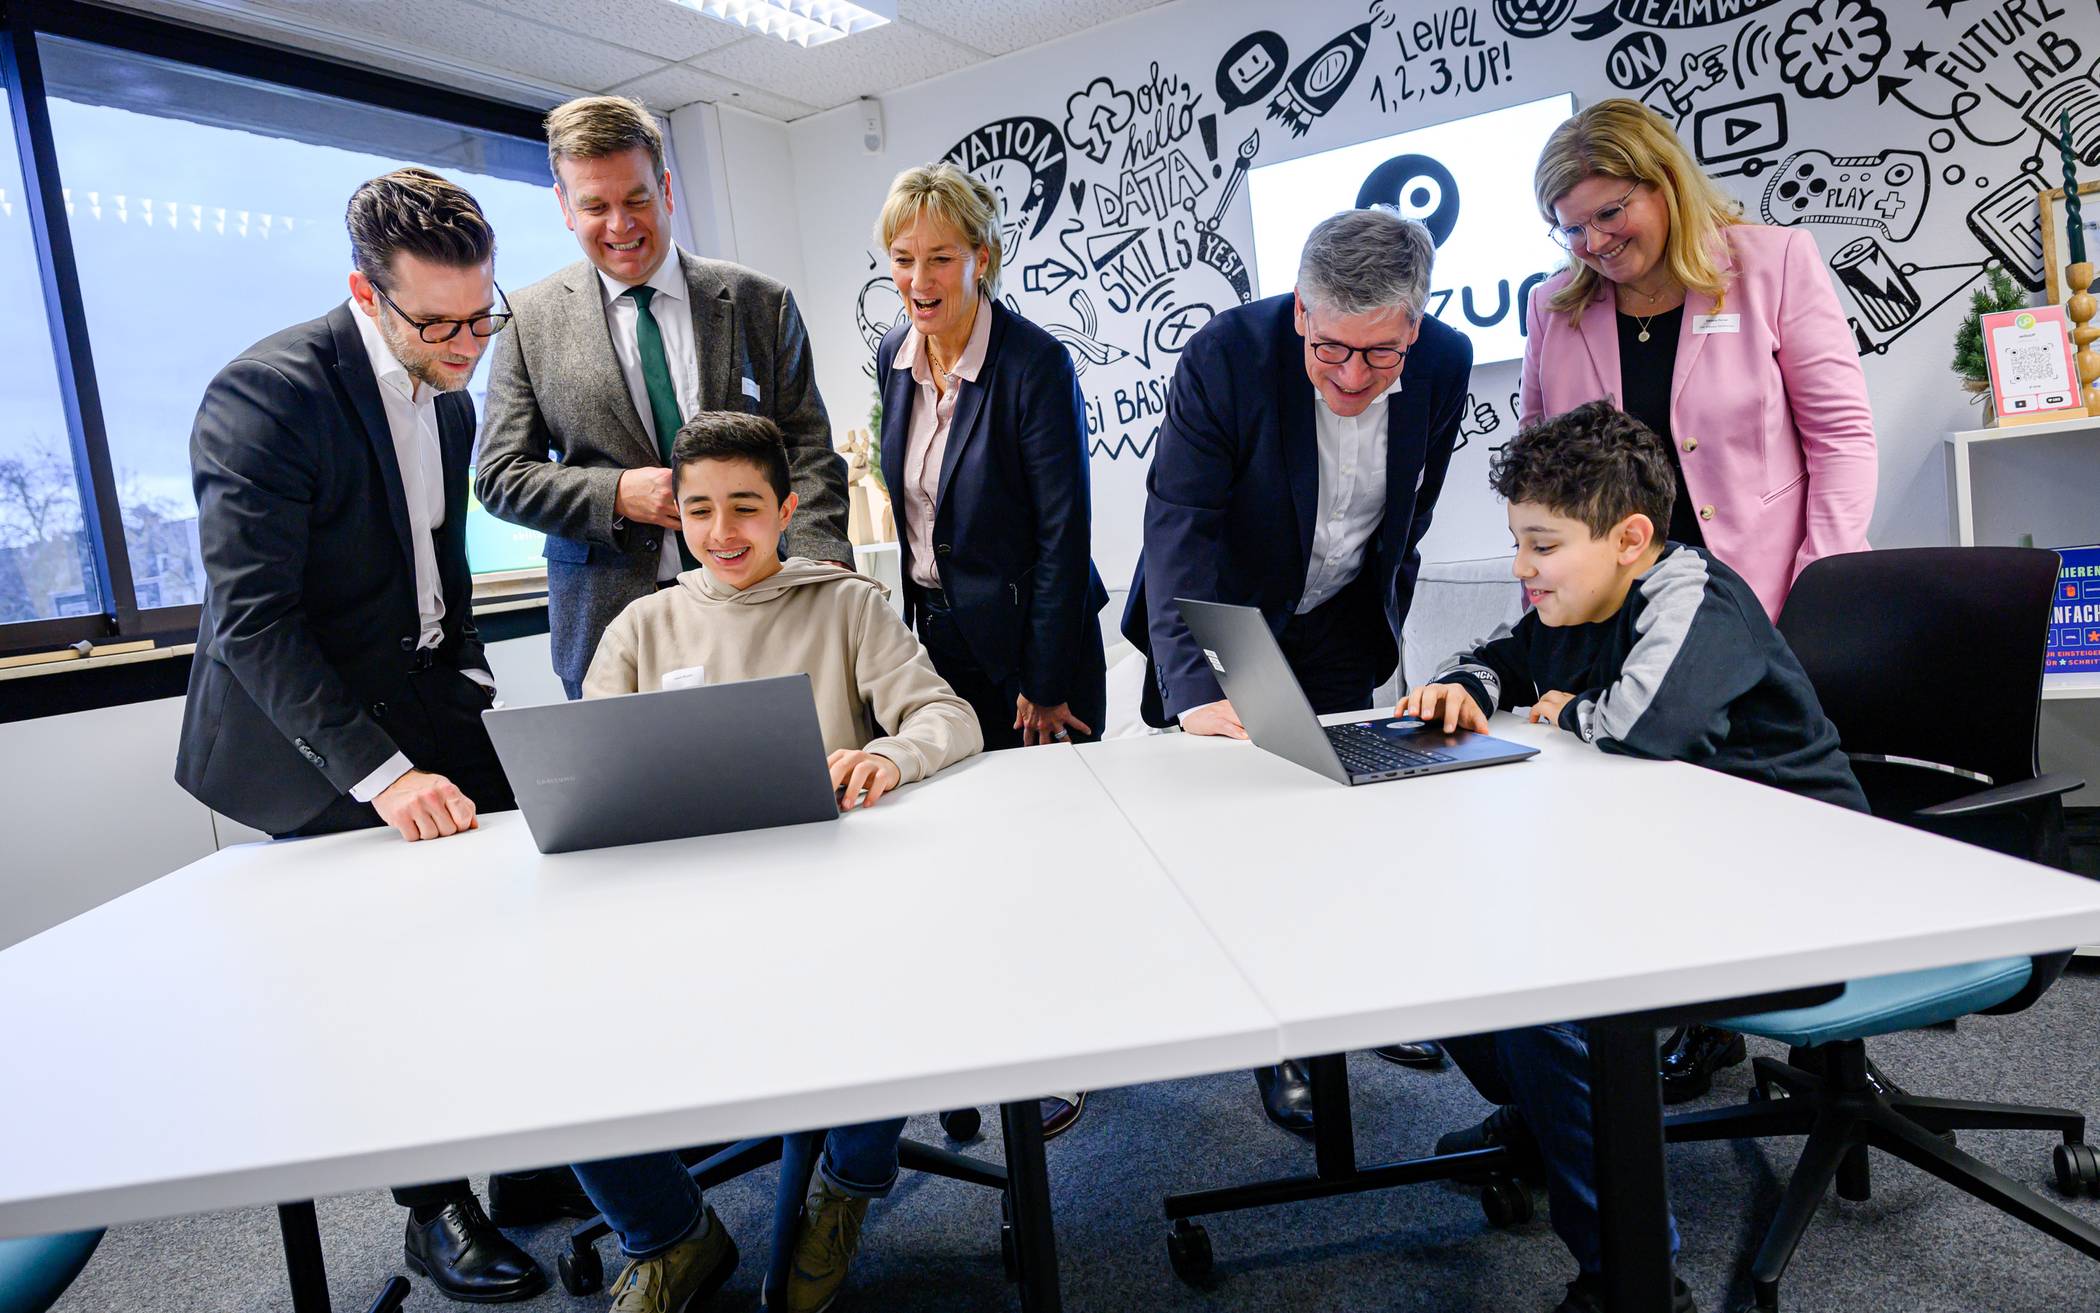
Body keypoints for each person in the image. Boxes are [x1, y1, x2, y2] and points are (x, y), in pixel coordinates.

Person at [171, 168, 591, 1304]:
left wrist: (461, 672)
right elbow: (254, 622)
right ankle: (429, 1208)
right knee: (389, 980)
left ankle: (531, 1166)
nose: (468, 343)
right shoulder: (266, 397)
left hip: (419, 695)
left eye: (481, 313)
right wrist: (384, 773)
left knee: (522, 912)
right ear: (366, 291)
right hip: (300, 736)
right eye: (439, 323)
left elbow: (433, 554)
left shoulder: (446, 395)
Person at [1402, 400, 1865, 1313]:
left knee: (1549, 993)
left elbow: (1647, 727)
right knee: (1446, 903)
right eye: (1517, 543)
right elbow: (1512, 656)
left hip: (1805, 881)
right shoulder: (1586, 592)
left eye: (1541, 546)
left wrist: (1563, 708)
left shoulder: (1694, 595)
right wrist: (1465, 684)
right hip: (1692, 858)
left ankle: (1635, 1282)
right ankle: (1553, 1115)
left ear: (1630, 537)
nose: (1521, 568)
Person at [571, 411, 982, 1313]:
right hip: (680, 911)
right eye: (702, 509)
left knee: (885, 986)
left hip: (828, 904)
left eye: (747, 508)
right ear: (673, 513)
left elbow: (948, 718)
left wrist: (887, 755)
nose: (724, 532)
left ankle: (845, 1184)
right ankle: (672, 1234)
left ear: (787, 509)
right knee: (556, 1034)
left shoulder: (846, 604)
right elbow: (585, 770)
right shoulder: (640, 627)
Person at [1522, 97, 1877, 1100]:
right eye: (1571, 225)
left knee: (1776, 809)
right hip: (1630, 609)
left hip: (1765, 594)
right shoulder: (1558, 305)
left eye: (1609, 214)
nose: (1594, 242)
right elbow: (1548, 462)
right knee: (1653, 811)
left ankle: (1826, 1025)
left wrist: (1823, 587)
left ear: (1663, 184)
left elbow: (1842, 439)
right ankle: (1703, 1014)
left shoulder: (1770, 265)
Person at [1121, 207, 1471, 1135]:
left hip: (1340, 617)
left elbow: (1415, 505)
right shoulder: (1225, 356)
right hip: (1231, 620)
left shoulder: (1444, 362)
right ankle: (1283, 1045)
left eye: (1380, 354)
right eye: (1331, 352)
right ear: (1302, 317)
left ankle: (1363, 1008)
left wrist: (1379, 609)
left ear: (1417, 326)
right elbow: (1179, 524)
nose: (1354, 376)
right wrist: (1199, 683)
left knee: (1345, 833)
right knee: (1255, 845)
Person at [873, 161, 1109, 1137]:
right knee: (960, 853)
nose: (919, 279)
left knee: (1043, 861)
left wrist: (1045, 684)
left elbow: (1064, 533)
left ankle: (1059, 1056)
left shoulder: (1031, 365)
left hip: (1033, 645)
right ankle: (983, 1038)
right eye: (901, 260)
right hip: (942, 643)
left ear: (982, 256)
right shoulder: (895, 354)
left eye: (938, 257)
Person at [476, 94, 852, 700]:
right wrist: (617, 493)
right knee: (635, 797)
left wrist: (821, 565)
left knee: (780, 787)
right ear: (564, 207)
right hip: (607, 630)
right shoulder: (527, 319)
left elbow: (806, 449)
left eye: (637, 199)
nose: (621, 226)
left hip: (767, 610)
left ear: (667, 189)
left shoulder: (761, 303)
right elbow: (499, 476)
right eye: (595, 205)